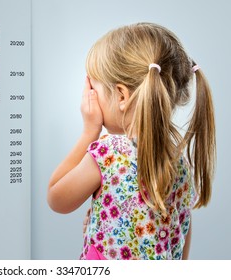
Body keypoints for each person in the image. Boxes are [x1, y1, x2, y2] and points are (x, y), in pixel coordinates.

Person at [47, 22, 216, 260]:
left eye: (93, 89)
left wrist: (89, 131)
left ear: (122, 96)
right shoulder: (180, 165)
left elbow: (56, 198)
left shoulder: (109, 152)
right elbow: (180, 246)